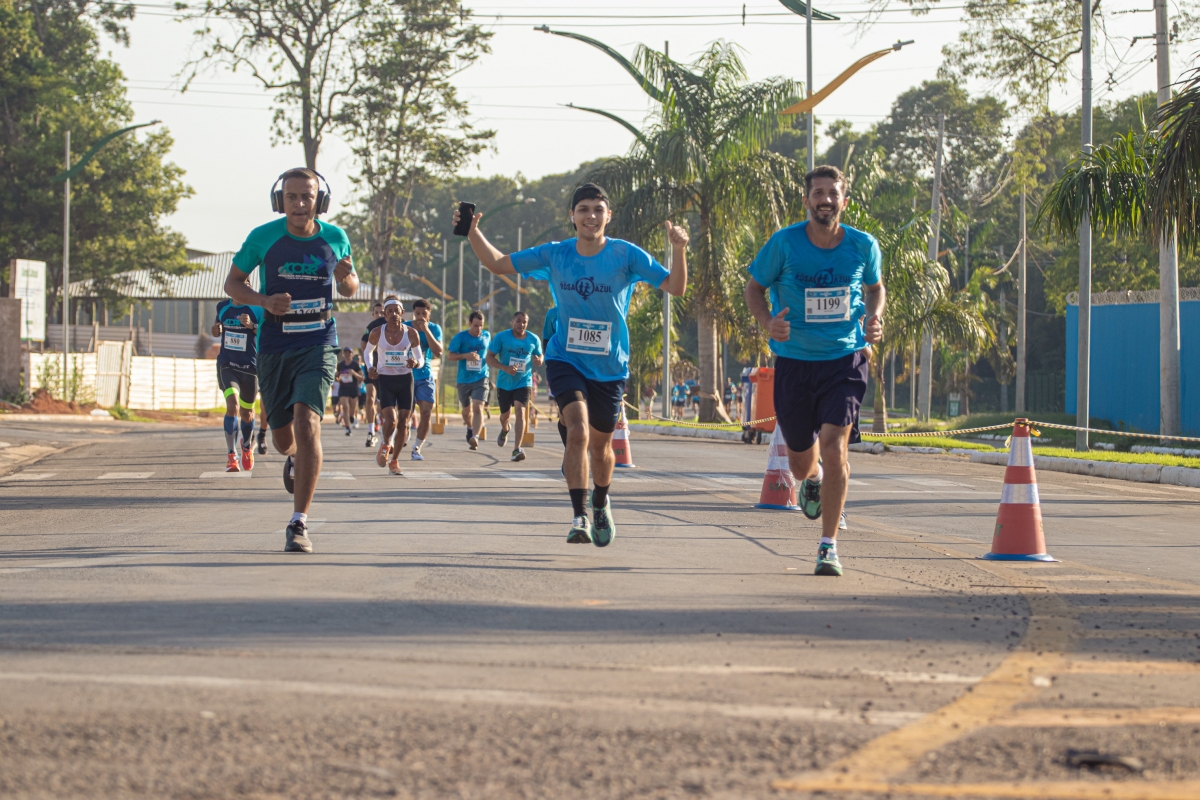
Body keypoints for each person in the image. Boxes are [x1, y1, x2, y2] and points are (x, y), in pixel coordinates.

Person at [458, 183, 688, 547]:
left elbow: (675, 287)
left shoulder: (626, 254)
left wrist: (678, 250)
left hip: (610, 367)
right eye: (583, 209)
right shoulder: (555, 254)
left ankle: (600, 502)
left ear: (608, 216)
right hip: (565, 359)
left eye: (598, 209)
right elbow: (497, 263)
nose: (591, 216)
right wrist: (473, 232)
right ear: (572, 216)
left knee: (601, 450)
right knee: (578, 431)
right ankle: (579, 516)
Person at [744, 165, 885, 577]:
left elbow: (875, 288)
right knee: (801, 464)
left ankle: (828, 546)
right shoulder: (784, 243)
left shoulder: (862, 245)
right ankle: (813, 480)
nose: (825, 199)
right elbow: (754, 288)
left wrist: (874, 316)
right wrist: (768, 322)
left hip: (845, 361)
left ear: (844, 201)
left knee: (835, 446)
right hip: (794, 363)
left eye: (832, 193)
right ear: (806, 200)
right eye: (818, 193)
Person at [223, 167, 359, 554]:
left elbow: (350, 287)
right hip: (274, 344)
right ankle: (295, 456)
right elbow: (232, 284)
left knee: (308, 421)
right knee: (283, 438)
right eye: (292, 197)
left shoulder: (335, 238)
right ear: (280, 201)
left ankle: (298, 522)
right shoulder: (263, 237)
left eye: (307, 197)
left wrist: (346, 278)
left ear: (320, 201)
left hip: (319, 340)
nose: (300, 204)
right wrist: (264, 301)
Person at [363, 298, 423, 474]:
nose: (393, 314)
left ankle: (394, 460)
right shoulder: (377, 332)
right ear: (384, 314)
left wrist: (415, 363)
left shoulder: (411, 333)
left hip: (405, 379)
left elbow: (420, 358)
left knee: (404, 423)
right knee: (391, 419)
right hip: (385, 379)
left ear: (402, 313)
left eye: (397, 311)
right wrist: (370, 367)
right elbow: (367, 352)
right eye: (389, 311)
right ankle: (385, 443)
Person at [211, 298, 264, 472]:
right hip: (227, 365)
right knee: (233, 405)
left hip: (250, 368)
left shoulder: (257, 308)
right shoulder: (222, 306)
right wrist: (216, 329)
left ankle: (246, 446)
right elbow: (217, 327)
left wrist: (252, 326)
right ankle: (231, 456)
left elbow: (268, 332)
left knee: (247, 413)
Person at [486, 310, 544, 461]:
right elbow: (489, 357)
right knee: (505, 416)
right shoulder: (501, 337)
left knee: (520, 411)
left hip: (524, 381)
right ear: (512, 322)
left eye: (525, 322)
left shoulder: (533, 339)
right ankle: (505, 429)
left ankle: (516, 449)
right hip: (504, 383)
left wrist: (539, 360)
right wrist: (505, 368)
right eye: (518, 321)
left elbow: (540, 354)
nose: (521, 324)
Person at [446, 311, 490, 450]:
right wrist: (466, 355)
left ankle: (475, 437)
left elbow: (491, 352)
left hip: (481, 377)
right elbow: (450, 356)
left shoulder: (487, 336)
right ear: (469, 323)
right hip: (464, 379)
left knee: (478, 407)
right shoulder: (460, 337)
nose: (479, 329)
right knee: (466, 411)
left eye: (481, 325)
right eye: (476, 325)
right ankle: (470, 428)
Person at [408, 298, 443, 460]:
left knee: (426, 412)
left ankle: (417, 448)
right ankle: (403, 433)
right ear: (413, 314)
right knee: (405, 414)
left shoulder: (435, 329)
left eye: (424, 313)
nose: (420, 317)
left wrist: (426, 330)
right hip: (406, 376)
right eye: (417, 313)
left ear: (429, 314)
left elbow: (438, 352)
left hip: (425, 376)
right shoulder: (405, 328)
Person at [360, 300, 385, 448]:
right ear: (373, 314)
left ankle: (384, 428)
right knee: (370, 397)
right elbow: (363, 344)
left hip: (386, 369)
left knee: (384, 403)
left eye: (382, 312)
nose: (379, 315)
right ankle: (371, 432)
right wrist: (372, 353)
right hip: (371, 367)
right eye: (377, 312)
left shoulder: (391, 326)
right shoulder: (370, 327)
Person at [335, 347, 364, 436]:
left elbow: (362, 378)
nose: (347, 355)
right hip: (343, 389)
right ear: (343, 354)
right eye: (346, 353)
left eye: (349, 353)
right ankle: (348, 428)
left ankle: (351, 416)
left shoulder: (355, 365)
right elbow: (337, 377)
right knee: (345, 407)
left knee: (352, 409)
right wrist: (337, 377)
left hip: (353, 389)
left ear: (352, 354)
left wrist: (354, 373)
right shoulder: (340, 365)